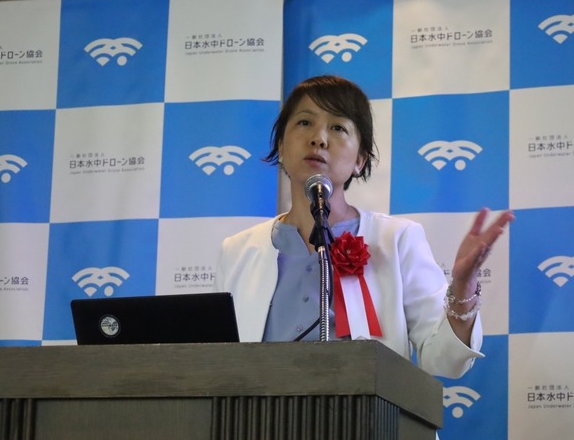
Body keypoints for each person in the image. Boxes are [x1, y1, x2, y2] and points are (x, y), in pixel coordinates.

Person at [214, 75, 513, 379]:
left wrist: (463, 286)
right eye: (304, 122)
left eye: (338, 128)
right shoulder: (237, 251)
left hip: (365, 409)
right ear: (281, 144)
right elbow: (217, 365)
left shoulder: (396, 239)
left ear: (360, 159)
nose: (319, 138)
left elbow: (446, 362)